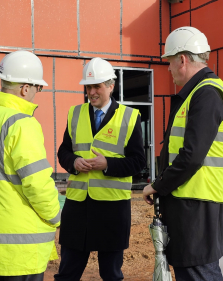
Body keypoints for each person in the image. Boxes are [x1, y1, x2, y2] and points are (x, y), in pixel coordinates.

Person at [143, 26, 223, 281]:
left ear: (182, 59)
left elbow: (191, 157)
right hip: (197, 206)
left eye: (170, 62)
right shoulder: (201, 93)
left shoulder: (206, 93)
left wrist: (158, 186)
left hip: (199, 209)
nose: (169, 69)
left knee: (198, 273)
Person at [0, 50, 61, 281]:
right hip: (21, 245)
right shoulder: (21, 124)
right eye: (39, 88)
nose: (38, 93)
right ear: (25, 88)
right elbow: (36, 183)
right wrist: (56, 216)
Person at [55, 57, 145, 281]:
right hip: (77, 206)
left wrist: (108, 165)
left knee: (111, 275)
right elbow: (63, 151)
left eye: (97, 86)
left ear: (111, 85)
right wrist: (73, 162)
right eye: (88, 87)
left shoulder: (130, 117)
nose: (91, 92)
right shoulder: (75, 114)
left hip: (112, 209)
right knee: (67, 273)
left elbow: (138, 161)